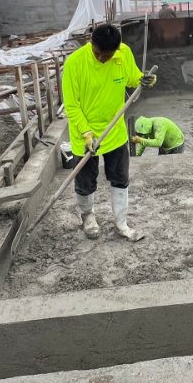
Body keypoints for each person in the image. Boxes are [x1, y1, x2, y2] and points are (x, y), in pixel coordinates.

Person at [62, 24, 157, 241]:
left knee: (120, 178)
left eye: (108, 55)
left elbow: (133, 79)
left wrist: (146, 79)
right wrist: (87, 133)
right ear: (91, 44)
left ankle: (121, 223)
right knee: (86, 182)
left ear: (116, 49)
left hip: (115, 132)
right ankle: (88, 217)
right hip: (84, 135)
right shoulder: (75, 63)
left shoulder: (123, 54)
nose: (103, 59)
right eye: (98, 54)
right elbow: (72, 105)